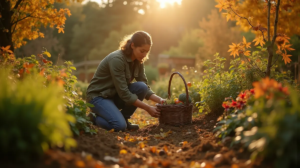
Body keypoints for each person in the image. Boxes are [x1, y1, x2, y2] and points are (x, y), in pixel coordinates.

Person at [86, 31, 166, 131]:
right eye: (142, 51)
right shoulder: (117, 60)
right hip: (98, 97)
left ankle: (124, 119)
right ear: (132, 45)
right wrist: (148, 108)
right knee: (119, 126)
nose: (144, 54)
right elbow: (124, 93)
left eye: (147, 51)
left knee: (141, 87)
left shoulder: (138, 60)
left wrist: (161, 100)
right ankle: (93, 117)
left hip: (113, 95)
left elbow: (144, 87)